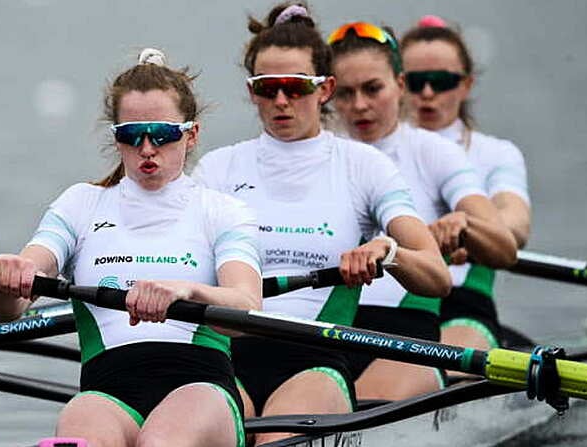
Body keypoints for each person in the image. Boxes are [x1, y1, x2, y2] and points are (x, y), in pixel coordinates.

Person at [192, 4, 450, 445]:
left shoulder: (364, 166)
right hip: (224, 355)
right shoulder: (217, 168)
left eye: (294, 87)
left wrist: (388, 252)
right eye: (266, 88)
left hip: (314, 362)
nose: (280, 101)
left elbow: (437, 275)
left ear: (325, 89)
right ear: (251, 91)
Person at [0, 48, 262, 447]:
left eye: (162, 134)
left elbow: (247, 308)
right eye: (131, 136)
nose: (147, 148)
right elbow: (6, 309)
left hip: (200, 392)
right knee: (75, 431)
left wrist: (187, 290)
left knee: (160, 443)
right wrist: (6, 278)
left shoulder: (223, 211)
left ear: (191, 134)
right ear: (116, 139)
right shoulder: (80, 204)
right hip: (107, 394)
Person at [328, 21, 518, 400]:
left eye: (373, 89)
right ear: (329, 94)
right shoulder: (320, 154)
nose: (360, 105)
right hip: (325, 329)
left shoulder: (433, 151)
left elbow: (505, 247)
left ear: (399, 85)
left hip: (405, 336)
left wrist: (466, 226)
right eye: (346, 93)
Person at [400, 16, 531, 350]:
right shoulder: (371, 153)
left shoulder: (496, 153)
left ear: (466, 84)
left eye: (441, 81)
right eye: (416, 82)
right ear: (397, 83)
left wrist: (469, 231)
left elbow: (515, 226)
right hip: (387, 304)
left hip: (461, 302)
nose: (427, 93)